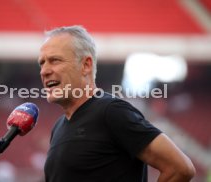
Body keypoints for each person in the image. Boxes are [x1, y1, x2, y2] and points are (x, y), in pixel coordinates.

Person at [38, 25, 195, 182]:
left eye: (54, 60)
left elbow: (180, 168)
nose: (44, 71)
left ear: (86, 65)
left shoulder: (111, 112)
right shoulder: (58, 127)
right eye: (42, 63)